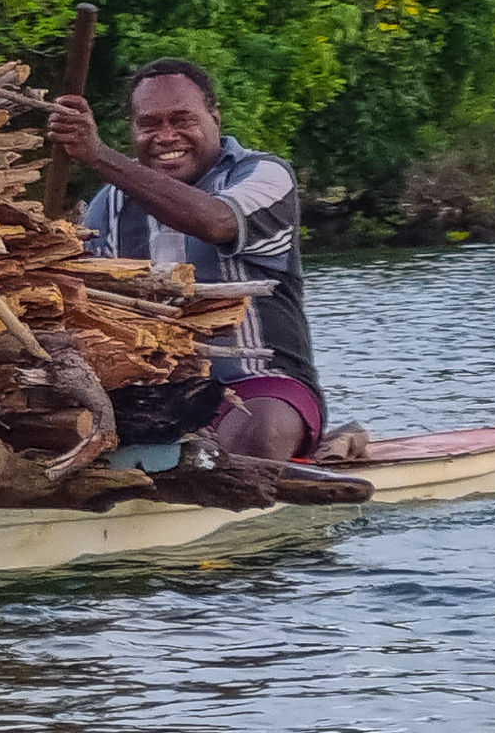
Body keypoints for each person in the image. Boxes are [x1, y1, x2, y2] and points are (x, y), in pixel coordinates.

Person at [46, 58, 326, 459]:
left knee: (261, 432)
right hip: (154, 392)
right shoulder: (108, 206)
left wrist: (97, 155)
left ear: (214, 116)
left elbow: (214, 221)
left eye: (182, 120)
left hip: (258, 382)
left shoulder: (265, 176)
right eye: (149, 125)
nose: (165, 136)